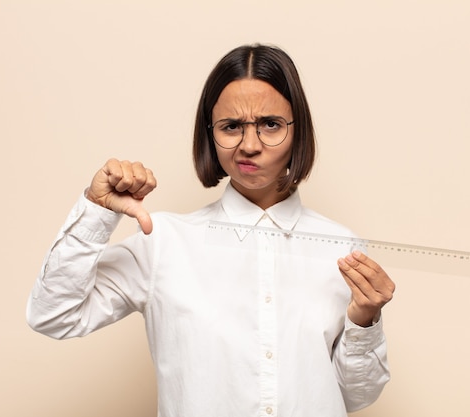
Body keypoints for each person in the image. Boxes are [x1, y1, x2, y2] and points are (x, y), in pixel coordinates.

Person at [27, 43, 395, 417]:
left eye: (270, 124)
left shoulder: (342, 248)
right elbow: (53, 315)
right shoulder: (163, 244)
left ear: (298, 129)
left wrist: (364, 321)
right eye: (231, 127)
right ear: (210, 133)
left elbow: (353, 397)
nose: (249, 145)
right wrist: (95, 210)